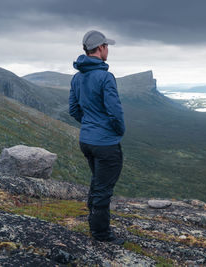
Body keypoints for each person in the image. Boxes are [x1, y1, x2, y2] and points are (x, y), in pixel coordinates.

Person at [69, 30, 126, 245]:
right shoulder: (105, 77)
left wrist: (90, 125)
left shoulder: (77, 77)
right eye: (107, 46)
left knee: (97, 181)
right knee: (103, 188)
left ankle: (93, 215)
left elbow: (74, 109)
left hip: (87, 140)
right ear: (101, 48)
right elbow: (115, 112)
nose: (108, 50)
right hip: (106, 144)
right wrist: (117, 131)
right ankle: (101, 234)